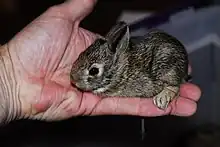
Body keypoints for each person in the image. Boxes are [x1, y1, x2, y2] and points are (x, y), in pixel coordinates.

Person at [0, 0, 201, 125]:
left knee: (165, 57)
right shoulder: (113, 70)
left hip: (165, 53)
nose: (76, 80)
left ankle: (172, 86)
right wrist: (9, 78)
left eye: (94, 71)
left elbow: (145, 83)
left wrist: (10, 78)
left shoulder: (130, 73)